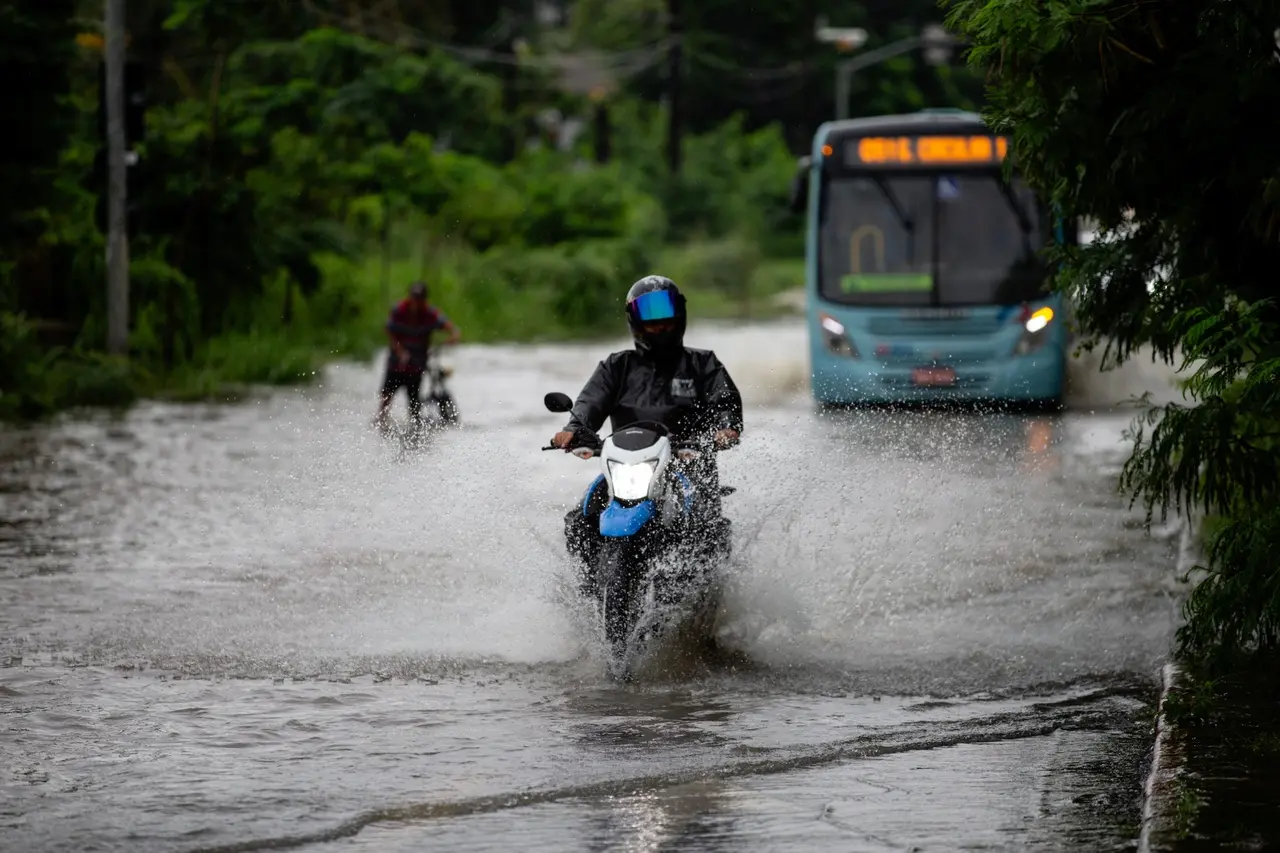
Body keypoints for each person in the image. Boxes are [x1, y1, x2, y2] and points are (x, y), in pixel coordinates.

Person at [550, 275, 744, 583]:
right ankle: (586, 591)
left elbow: (725, 403)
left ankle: (702, 600)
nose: (659, 326)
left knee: (705, 530)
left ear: (679, 316)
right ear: (635, 321)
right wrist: (574, 428)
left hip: (689, 468)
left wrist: (725, 428)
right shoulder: (616, 366)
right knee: (582, 518)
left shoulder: (703, 364)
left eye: (666, 318)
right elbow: (590, 402)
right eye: (651, 321)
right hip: (626, 471)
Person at [375, 281, 460, 430]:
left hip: (416, 365)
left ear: (424, 299)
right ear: (410, 297)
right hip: (396, 363)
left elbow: (451, 328)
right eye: (415, 298)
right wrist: (400, 351)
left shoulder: (430, 313)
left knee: (414, 404)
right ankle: (381, 425)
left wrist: (453, 336)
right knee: (386, 397)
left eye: (420, 299)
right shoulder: (399, 310)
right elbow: (389, 330)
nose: (417, 302)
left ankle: (414, 432)